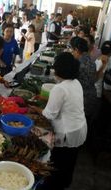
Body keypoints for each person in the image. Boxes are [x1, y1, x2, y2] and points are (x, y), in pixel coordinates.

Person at [34, 53, 87, 190]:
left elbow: (49, 114)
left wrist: (35, 108)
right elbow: (67, 103)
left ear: (59, 69)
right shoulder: (76, 83)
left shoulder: (59, 88)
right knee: (70, 161)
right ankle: (65, 183)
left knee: (58, 162)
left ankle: (52, 186)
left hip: (66, 132)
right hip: (79, 128)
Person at [70, 37, 98, 131]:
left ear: (77, 50)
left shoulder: (79, 63)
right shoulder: (90, 60)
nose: (72, 52)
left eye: (72, 49)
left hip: (83, 99)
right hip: (91, 96)